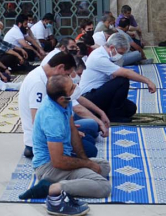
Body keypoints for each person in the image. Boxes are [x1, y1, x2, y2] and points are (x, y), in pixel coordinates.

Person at [29, 75, 111, 214]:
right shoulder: (52, 117)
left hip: (61, 160)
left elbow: (73, 130)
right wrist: (88, 164)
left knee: (104, 166)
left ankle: (71, 181)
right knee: (103, 187)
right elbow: (58, 162)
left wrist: (84, 160)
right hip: (48, 167)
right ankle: (52, 189)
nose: (76, 87)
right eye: (72, 87)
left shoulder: (66, 102)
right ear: (62, 98)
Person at [20, 52, 103, 160]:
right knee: (91, 150)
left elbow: (74, 101)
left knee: (91, 127)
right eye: (67, 74)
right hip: (43, 137)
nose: (68, 78)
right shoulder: (38, 83)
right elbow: (37, 121)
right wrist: (69, 131)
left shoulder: (47, 77)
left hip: (56, 123)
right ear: (60, 68)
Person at [77, 32, 156, 122]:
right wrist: (147, 81)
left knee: (131, 108)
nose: (120, 56)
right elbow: (125, 73)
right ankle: (115, 116)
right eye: (120, 53)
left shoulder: (108, 56)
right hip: (89, 96)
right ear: (111, 48)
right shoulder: (99, 57)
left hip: (99, 92)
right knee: (122, 81)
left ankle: (104, 113)